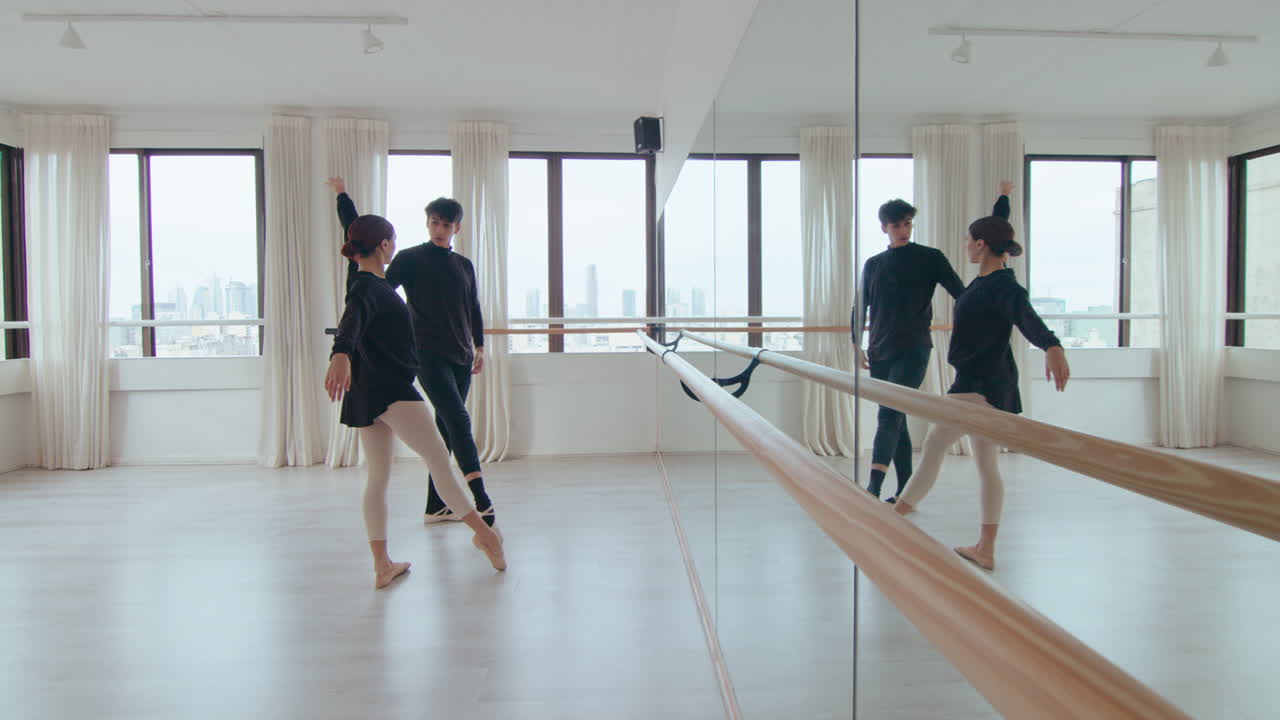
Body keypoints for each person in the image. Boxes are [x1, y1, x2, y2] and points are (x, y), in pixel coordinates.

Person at [893, 182, 1070, 572]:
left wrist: (1052, 345)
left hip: (980, 387)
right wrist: (1002, 202)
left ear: (982, 246)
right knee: (985, 465)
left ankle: (894, 519)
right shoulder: (989, 280)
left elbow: (1027, 318)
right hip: (982, 384)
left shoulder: (1003, 287)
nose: (966, 245)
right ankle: (985, 548)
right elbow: (998, 227)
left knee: (936, 443)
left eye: (970, 241)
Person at [324, 211, 506, 588]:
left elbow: (355, 308)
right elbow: (351, 322)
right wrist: (340, 353)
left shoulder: (364, 282)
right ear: (385, 244)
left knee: (378, 477)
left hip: (367, 394)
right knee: (440, 461)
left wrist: (343, 199)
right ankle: (485, 535)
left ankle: (382, 566)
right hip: (392, 392)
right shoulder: (368, 288)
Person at [854, 198, 966, 502]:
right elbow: (860, 307)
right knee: (894, 415)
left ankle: (874, 487)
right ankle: (905, 490)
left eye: (907, 224)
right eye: (896, 225)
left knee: (890, 414)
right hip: (879, 351)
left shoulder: (930, 258)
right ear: (884, 228)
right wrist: (857, 345)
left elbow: (963, 294)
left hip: (914, 348)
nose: (903, 230)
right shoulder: (873, 264)